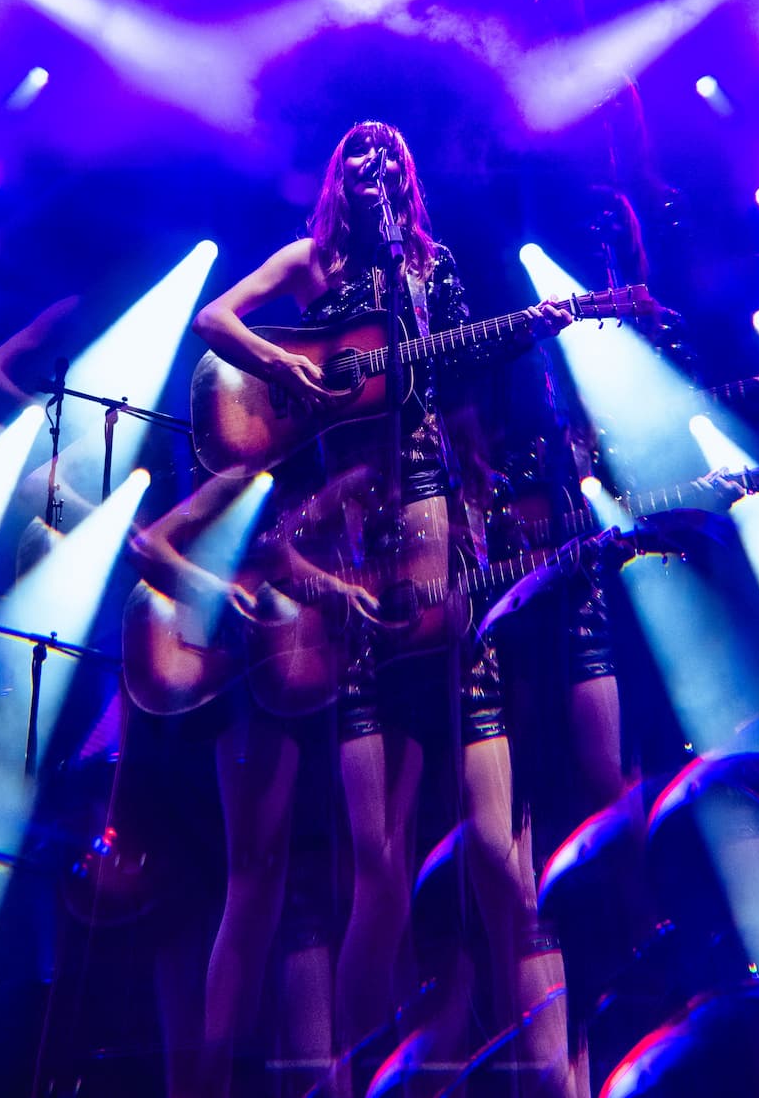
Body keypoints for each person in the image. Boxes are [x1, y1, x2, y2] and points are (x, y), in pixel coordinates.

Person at [186, 120, 575, 1096]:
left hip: (437, 542)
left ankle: (532, 1059)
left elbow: (465, 412)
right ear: (335, 174)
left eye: (383, 156)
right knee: (377, 858)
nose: (366, 167)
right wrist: (285, 367)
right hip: (349, 550)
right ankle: (373, 1077)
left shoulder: (433, 271)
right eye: (350, 155)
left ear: (403, 174)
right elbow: (213, 322)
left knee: (492, 844)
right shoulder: (310, 266)